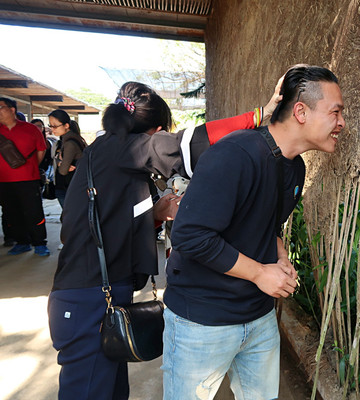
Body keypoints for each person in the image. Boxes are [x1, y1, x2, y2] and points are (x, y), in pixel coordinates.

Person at [47, 80, 282, 400]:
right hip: (87, 299)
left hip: (94, 293)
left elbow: (105, 222)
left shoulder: (106, 155)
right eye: (162, 135)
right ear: (155, 132)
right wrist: (259, 116)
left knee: (109, 390)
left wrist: (155, 213)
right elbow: (192, 143)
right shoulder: (124, 148)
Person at [162, 64, 345, 399]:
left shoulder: (294, 168)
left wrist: (279, 255)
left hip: (258, 318)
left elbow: (267, 225)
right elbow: (191, 235)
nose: (342, 123)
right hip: (202, 320)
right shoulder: (235, 154)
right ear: (301, 111)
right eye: (335, 112)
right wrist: (261, 272)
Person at [0, 97, 50, 256]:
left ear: (12, 109)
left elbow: (41, 150)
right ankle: (22, 242)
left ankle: (40, 243)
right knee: (11, 213)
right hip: (3, 181)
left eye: (0, 108)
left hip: (28, 179)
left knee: (34, 211)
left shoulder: (30, 129)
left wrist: (30, 167)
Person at [47, 110, 87, 208]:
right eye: (50, 126)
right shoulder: (71, 139)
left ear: (66, 125)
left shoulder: (69, 143)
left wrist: (60, 163)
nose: (52, 129)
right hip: (72, 186)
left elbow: (63, 171)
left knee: (69, 219)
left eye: (55, 126)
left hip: (68, 187)